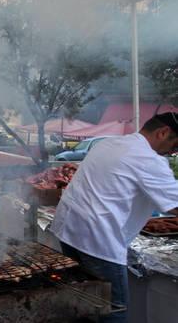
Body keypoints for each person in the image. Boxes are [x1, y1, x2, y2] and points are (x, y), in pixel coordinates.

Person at [51, 112, 178, 323]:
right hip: (98, 241)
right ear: (163, 132)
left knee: (84, 302)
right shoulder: (148, 159)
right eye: (175, 147)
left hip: (69, 231)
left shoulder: (110, 144)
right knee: (113, 311)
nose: (173, 153)